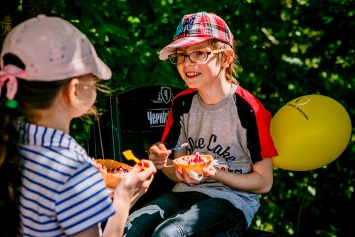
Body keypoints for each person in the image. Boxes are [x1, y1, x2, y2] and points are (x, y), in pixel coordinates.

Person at [123, 11, 278, 236]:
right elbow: (177, 173)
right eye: (182, 55)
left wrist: (213, 173)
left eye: (198, 53)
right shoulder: (182, 103)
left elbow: (264, 183)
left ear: (226, 58)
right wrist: (163, 160)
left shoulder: (249, 109)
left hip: (231, 203)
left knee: (168, 234)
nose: (187, 63)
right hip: (184, 193)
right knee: (129, 227)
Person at [0, 15, 156, 236]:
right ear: (74, 90)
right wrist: (123, 200)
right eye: (91, 76)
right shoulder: (74, 170)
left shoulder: (12, 145)